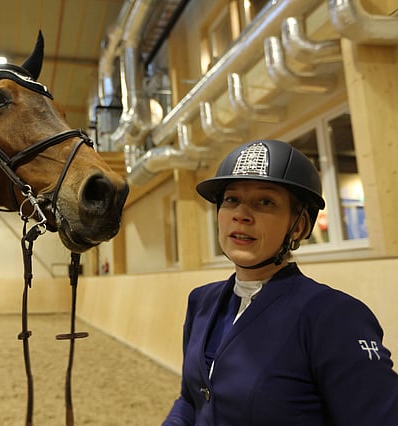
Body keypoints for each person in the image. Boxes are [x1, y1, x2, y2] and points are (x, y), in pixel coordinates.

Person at [163, 139, 398, 425]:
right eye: (231, 200)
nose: (241, 215)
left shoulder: (334, 317)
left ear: (298, 226)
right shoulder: (201, 301)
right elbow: (191, 399)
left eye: (265, 202)